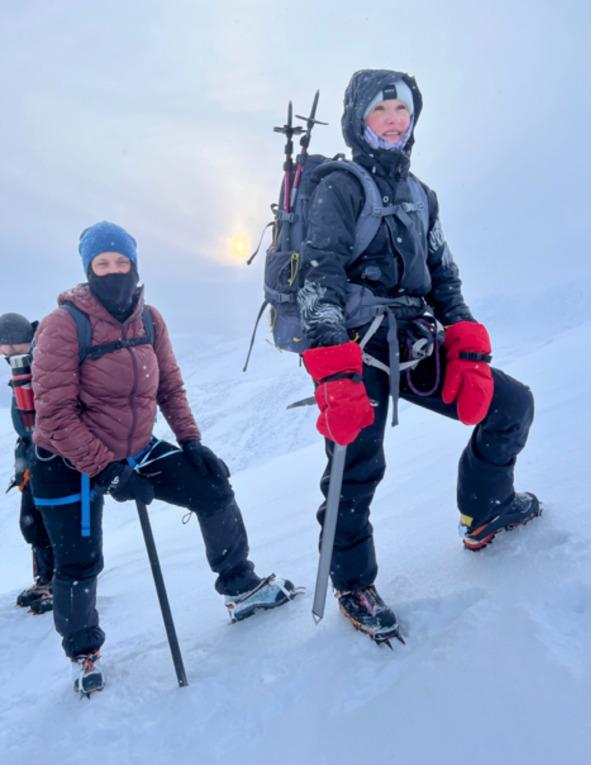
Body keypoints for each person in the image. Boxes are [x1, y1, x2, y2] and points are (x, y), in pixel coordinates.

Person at [297, 69, 540, 644]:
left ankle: (486, 510)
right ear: (359, 119)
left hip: (412, 340)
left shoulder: (421, 195)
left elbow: (444, 277)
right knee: (356, 464)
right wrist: (335, 372)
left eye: (402, 111)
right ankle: (353, 583)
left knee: (511, 404)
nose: (394, 121)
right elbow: (318, 282)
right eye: (381, 111)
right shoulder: (339, 188)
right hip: (356, 348)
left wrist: (467, 347)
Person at [30, 221, 298, 696]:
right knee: (79, 562)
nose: (114, 271)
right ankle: (83, 653)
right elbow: (55, 414)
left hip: (135, 447)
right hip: (66, 461)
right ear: (88, 270)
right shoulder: (63, 325)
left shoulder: (149, 320)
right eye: (102, 264)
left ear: (135, 265)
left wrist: (191, 443)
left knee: (212, 490)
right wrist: (107, 471)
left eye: (122, 262)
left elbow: (169, 387)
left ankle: (240, 587)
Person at [0, 313, 54, 614]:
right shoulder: (23, 361)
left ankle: (59, 581)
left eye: (3, 345)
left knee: (48, 520)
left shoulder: (40, 358)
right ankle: (45, 578)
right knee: (32, 522)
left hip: (50, 454)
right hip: (33, 454)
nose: (2, 352)